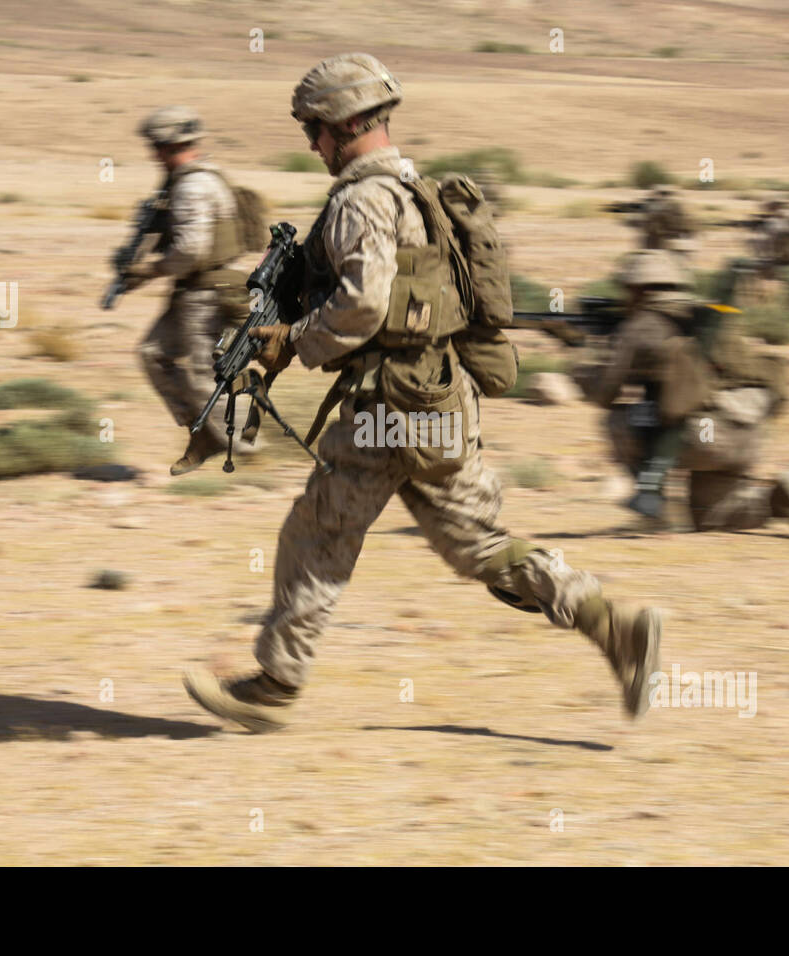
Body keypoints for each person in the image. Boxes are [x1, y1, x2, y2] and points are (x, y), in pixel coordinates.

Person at [181, 53, 662, 734]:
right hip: (438, 399)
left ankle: (274, 687)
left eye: (314, 129)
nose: (311, 143)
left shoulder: (361, 201)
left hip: (389, 409)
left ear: (344, 124)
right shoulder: (413, 187)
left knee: (317, 535)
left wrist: (292, 342)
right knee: (478, 546)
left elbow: (363, 306)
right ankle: (614, 624)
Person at [584, 248, 789, 537]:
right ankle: (778, 500)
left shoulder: (640, 326)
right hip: (745, 434)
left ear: (637, 288)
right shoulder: (711, 315)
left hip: (696, 435)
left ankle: (657, 508)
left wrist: (585, 362)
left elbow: (603, 394)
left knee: (617, 420)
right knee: (711, 514)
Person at [126, 106, 259, 475]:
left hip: (206, 292)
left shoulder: (193, 185)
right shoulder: (191, 179)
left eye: (156, 147)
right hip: (195, 288)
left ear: (167, 146)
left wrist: (149, 269)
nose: (154, 155)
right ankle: (204, 432)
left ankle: (245, 451)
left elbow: (191, 250)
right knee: (153, 354)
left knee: (199, 375)